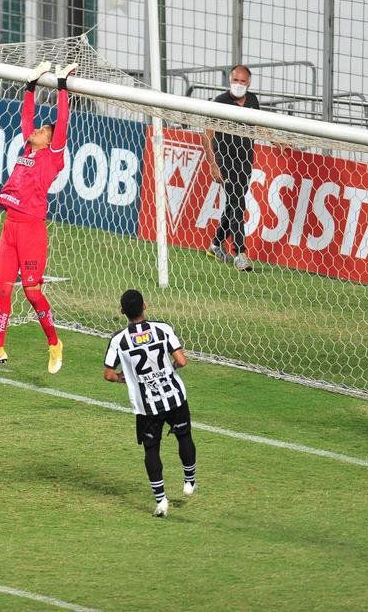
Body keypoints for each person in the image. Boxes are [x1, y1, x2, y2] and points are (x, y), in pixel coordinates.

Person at [0, 61, 75, 374]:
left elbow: (61, 120)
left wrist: (61, 86)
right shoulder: (26, 149)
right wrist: (30, 86)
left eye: (43, 131)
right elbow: (26, 116)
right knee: (2, 288)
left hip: (32, 230)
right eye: (39, 129)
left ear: (51, 141)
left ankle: (54, 343)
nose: (37, 130)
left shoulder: (53, 155)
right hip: (10, 229)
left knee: (32, 292)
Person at [103, 289, 196, 518]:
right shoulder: (163, 329)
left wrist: (121, 379)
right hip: (174, 396)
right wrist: (167, 370)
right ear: (145, 306)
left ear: (122, 312)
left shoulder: (118, 340)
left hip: (146, 407)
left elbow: (108, 374)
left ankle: (161, 501)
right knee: (184, 437)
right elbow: (182, 361)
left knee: (151, 450)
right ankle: (189, 482)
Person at [202, 65, 260, 271]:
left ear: (249, 83)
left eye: (242, 81)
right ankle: (240, 253)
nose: (238, 85)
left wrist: (278, 142)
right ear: (230, 80)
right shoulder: (220, 102)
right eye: (235, 80)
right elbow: (207, 134)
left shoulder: (253, 102)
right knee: (238, 204)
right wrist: (213, 164)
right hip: (225, 159)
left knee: (233, 203)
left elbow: (260, 126)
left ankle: (215, 245)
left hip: (245, 161)